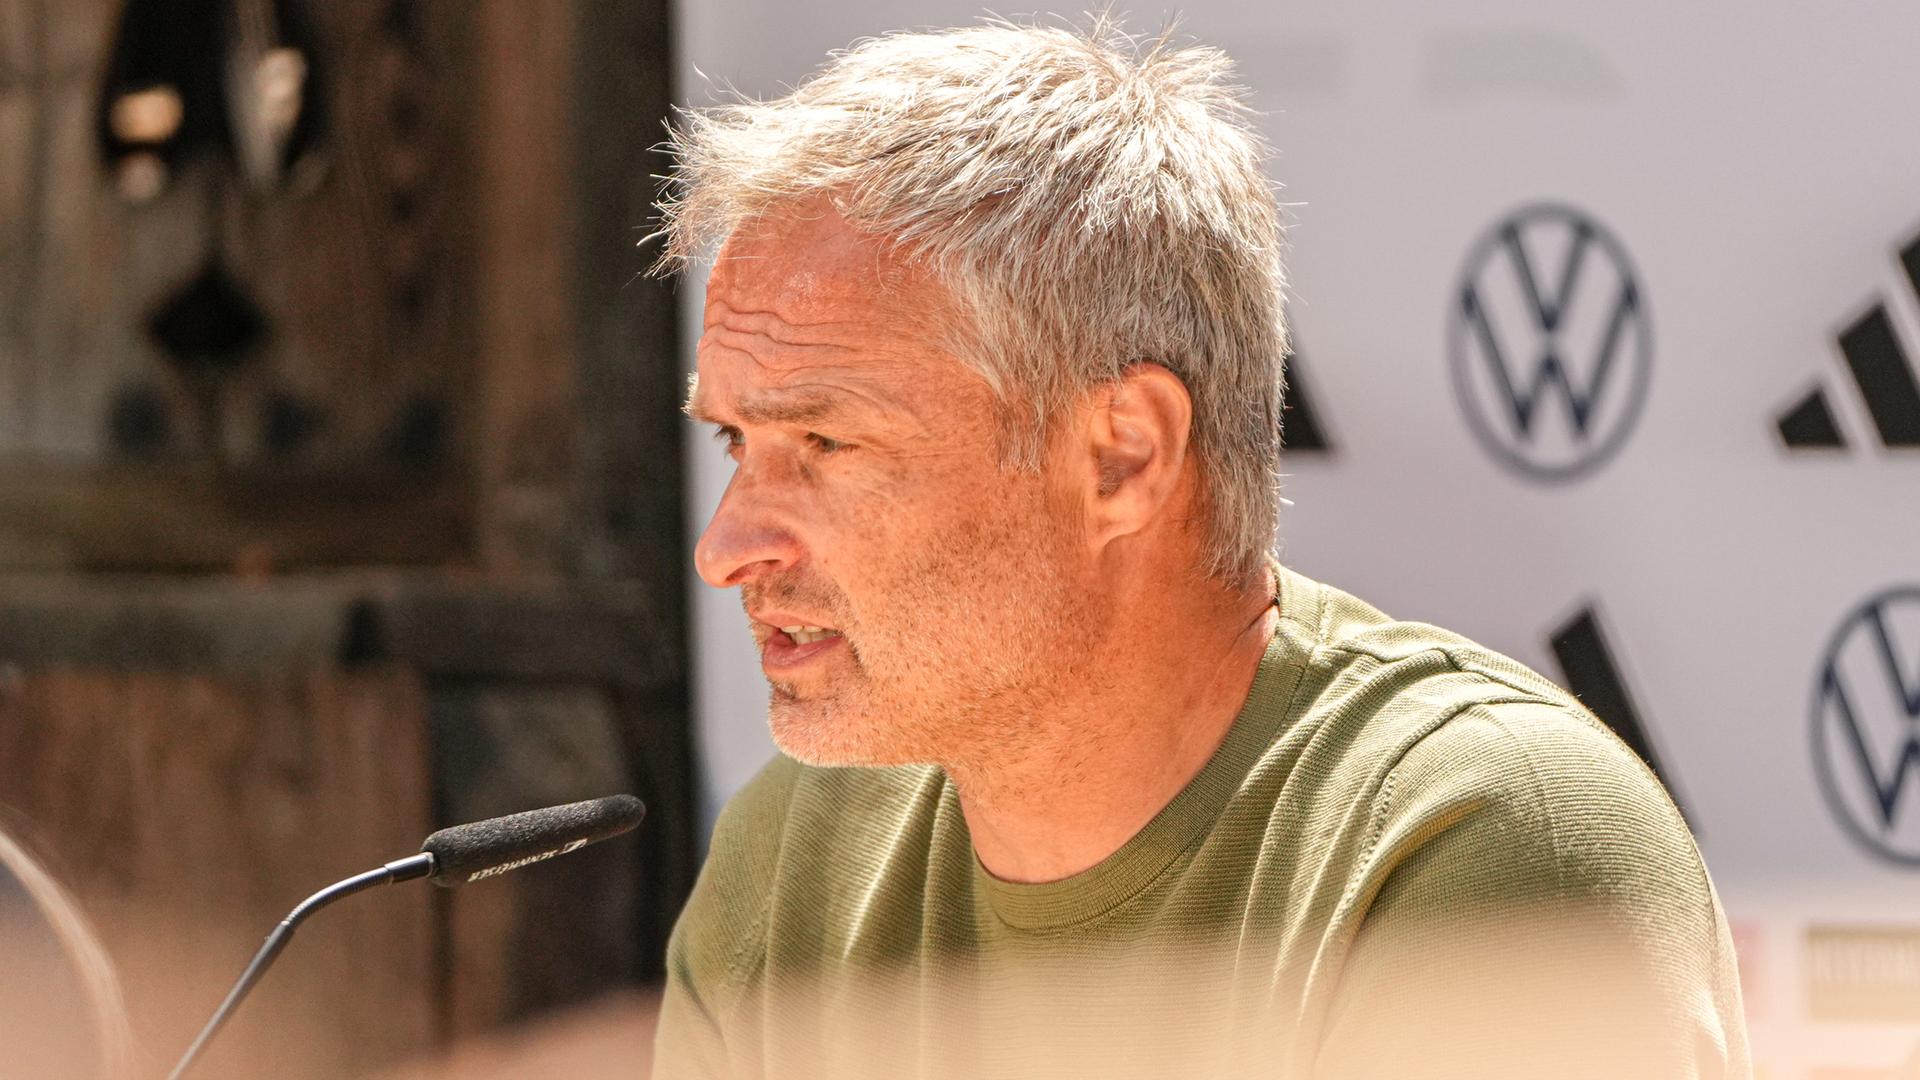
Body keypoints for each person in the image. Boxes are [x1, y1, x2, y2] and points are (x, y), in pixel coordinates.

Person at [652, 20, 1749, 1079]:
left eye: (826, 442)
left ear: (1123, 457)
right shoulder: (797, 853)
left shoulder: (1486, 842)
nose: (725, 548)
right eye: (736, 442)